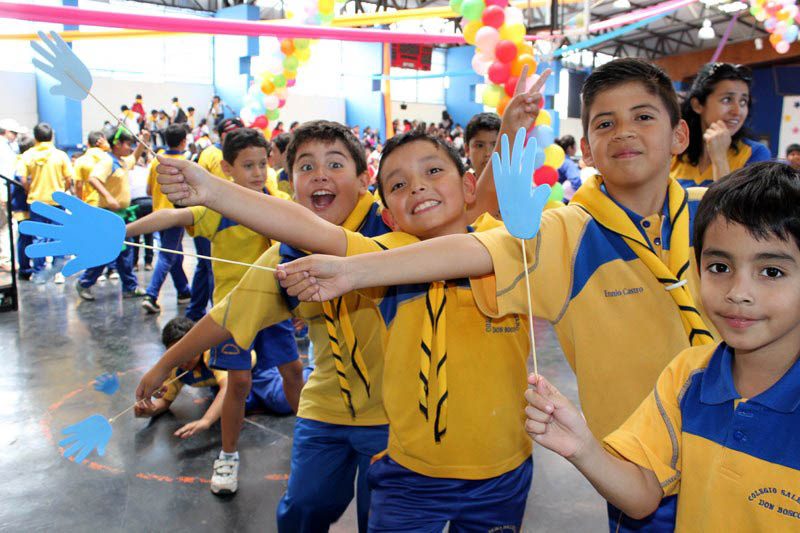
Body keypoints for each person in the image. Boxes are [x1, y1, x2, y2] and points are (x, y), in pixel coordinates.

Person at [276, 58, 719, 531]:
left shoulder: (720, 216)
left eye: (643, 116)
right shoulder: (560, 236)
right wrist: (351, 272)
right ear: (587, 149)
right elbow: (473, 248)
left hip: (743, 448)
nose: (625, 132)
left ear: (679, 136)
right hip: (636, 464)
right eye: (606, 123)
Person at [136, 120, 396, 531]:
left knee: (384, 522)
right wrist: (163, 365)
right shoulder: (286, 253)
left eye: (335, 163)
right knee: (300, 513)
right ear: (291, 185)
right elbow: (228, 313)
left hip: (397, 418)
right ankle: (229, 452)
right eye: (306, 167)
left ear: (365, 178)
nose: (320, 174)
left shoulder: (396, 229)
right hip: (326, 411)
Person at [525, 161, 800, 530]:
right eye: (720, 267)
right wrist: (583, 447)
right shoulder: (688, 374)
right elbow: (642, 497)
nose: (738, 293)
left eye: (771, 272)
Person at [127, 127, 302, 496]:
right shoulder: (216, 210)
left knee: (294, 370)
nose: (257, 172)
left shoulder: (279, 201)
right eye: (247, 165)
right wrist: (126, 229)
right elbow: (171, 218)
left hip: (275, 308)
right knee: (238, 383)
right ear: (226, 168)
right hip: (230, 315)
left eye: (261, 164)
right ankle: (228, 455)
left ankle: (307, 440)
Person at [184, 117, 245, 321]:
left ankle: (199, 311)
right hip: (211, 217)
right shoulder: (210, 153)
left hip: (237, 215)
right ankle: (208, 315)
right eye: (230, 132)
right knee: (208, 265)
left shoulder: (245, 152)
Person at [671, 62, 770, 188]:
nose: (737, 111)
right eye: (727, 99)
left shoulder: (754, 153)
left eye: (743, 101)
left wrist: (719, 158)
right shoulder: (675, 152)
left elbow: (732, 207)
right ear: (697, 105)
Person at [75, 127, 147, 300]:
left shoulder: (121, 161)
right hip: (108, 214)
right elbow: (93, 179)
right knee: (108, 251)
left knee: (123, 252)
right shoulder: (108, 162)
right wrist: (108, 197)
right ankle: (85, 282)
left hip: (120, 215)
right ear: (117, 144)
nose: (129, 148)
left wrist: (143, 142)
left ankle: (130, 286)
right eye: (127, 144)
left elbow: (133, 158)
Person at [134, 316, 230, 439]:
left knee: (241, 404)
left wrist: (206, 420)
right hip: (220, 382)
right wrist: (150, 409)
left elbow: (228, 387)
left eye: (187, 352)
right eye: (177, 354)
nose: (183, 360)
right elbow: (165, 401)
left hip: (253, 373)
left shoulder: (212, 355)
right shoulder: (177, 369)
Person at [138, 124, 192, 312]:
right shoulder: (186, 162)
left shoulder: (156, 160)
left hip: (158, 213)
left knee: (175, 254)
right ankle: (151, 295)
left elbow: (148, 190)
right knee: (167, 255)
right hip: (175, 216)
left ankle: (184, 291)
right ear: (184, 141)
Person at [19, 123, 73, 285]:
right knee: (59, 236)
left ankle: (39, 273)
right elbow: (69, 179)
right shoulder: (60, 155)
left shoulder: (28, 155)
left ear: (35, 137)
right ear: (51, 137)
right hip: (57, 201)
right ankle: (58, 273)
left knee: (39, 238)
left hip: (36, 202)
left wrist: (30, 190)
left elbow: (22, 178)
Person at [11, 134, 34, 280]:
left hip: (23, 204)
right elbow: (23, 180)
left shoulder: (20, 160)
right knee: (25, 238)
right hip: (22, 205)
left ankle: (26, 267)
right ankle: (25, 269)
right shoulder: (23, 162)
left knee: (26, 237)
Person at [0, 118, 21, 271]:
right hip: (3, 190)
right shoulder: (3, 148)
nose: (15, 136)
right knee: (7, 225)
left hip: (5, 190)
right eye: (14, 133)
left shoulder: (7, 147)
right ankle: (5, 259)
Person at [128, 151, 153, 272]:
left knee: (135, 234)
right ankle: (148, 262)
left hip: (135, 203)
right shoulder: (147, 170)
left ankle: (134, 263)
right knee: (149, 235)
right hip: (149, 202)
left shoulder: (130, 171)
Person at [72, 130, 110, 206]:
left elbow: (79, 186)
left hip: (90, 203)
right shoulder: (109, 158)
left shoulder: (80, 160)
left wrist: (81, 203)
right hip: (109, 203)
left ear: (87, 144)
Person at [464, 112, 501, 178]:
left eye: (495, 145)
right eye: (480, 145)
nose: (488, 153)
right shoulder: (460, 187)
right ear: (467, 150)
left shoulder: (516, 187)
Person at [555, 134, 582, 201]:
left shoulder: (557, 159)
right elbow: (575, 180)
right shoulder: (568, 163)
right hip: (563, 201)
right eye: (575, 146)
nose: (576, 148)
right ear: (570, 147)